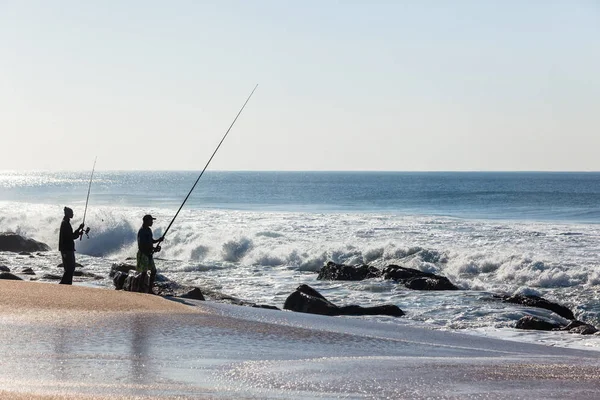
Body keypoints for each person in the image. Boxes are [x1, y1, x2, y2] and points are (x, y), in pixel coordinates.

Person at [58, 207, 86, 285]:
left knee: (69, 268)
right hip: (67, 249)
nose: (73, 214)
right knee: (70, 269)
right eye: (71, 213)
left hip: (67, 249)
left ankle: (67, 285)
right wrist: (79, 230)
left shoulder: (66, 222)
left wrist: (79, 231)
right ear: (67, 214)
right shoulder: (65, 223)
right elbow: (71, 236)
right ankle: (63, 284)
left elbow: (71, 236)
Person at [137, 214, 164, 293]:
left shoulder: (148, 230)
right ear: (146, 221)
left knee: (153, 271)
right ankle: (140, 289)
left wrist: (158, 240)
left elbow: (150, 241)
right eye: (151, 220)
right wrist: (153, 248)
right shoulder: (142, 231)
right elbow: (143, 244)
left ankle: (149, 289)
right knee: (144, 272)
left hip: (149, 254)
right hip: (143, 254)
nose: (152, 222)